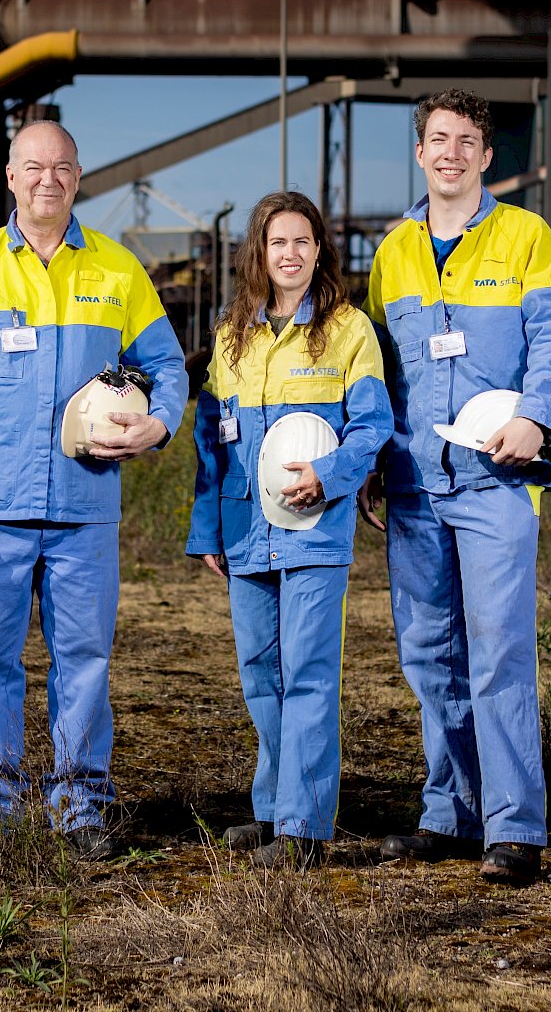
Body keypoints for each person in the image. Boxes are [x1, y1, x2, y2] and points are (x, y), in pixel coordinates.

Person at [0, 119, 188, 859]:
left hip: (84, 504)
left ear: (78, 176)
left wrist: (154, 425)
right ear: (10, 177)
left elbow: (165, 367)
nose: (47, 179)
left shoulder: (117, 271)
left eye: (61, 167)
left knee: (85, 659)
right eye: (32, 167)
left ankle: (80, 804)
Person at [361, 88, 551, 886]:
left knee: (498, 655)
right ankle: (448, 813)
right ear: (419, 154)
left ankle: (515, 827)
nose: (450, 152)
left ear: (487, 157)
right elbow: (377, 371)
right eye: (437, 139)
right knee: (430, 655)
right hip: (417, 484)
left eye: (466, 141)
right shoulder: (391, 253)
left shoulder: (526, 238)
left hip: (498, 480)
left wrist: (537, 416)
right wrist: (373, 461)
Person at [185, 191, 392, 869]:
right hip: (246, 525)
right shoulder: (231, 336)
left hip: (313, 528)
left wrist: (331, 476)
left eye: (303, 242)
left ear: (320, 251)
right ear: (260, 252)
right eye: (278, 242)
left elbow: (373, 425)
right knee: (259, 673)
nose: (291, 254)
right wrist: (208, 526)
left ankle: (304, 825)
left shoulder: (347, 331)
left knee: (306, 673)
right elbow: (210, 440)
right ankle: (273, 806)